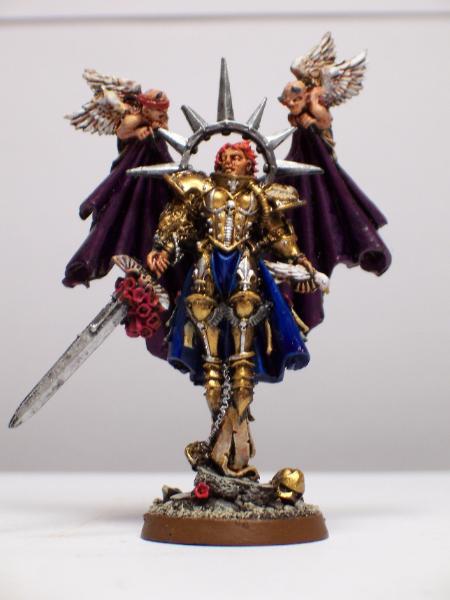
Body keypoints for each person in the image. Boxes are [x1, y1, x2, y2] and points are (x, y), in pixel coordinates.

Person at [146, 141, 315, 478]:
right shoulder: (200, 190)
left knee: (242, 357)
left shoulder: (260, 195)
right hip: (207, 269)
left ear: (250, 163)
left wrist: (297, 258)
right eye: (223, 156)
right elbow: (178, 223)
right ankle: (220, 431)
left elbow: (278, 232)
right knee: (210, 359)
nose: (228, 161)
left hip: (245, 269)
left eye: (236, 156)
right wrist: (161, 249)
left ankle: (234, 442)